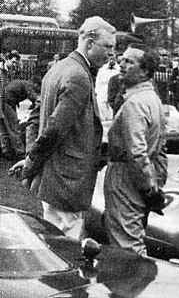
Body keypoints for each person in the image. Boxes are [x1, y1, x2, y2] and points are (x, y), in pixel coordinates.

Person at [10, 16, 116, 240]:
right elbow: (55, 129)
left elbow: (35, 119)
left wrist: (32, 156)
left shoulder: (59, 69)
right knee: (64, 246)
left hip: (54, 179)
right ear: (89, 42)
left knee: (52, 240)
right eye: (108, 47)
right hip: (67, 182)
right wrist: (31, 162)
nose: (111, 54)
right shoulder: (79, 76)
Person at [104, 44, 167, 256]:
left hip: (127, 177)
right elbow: (160, 146)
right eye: (122, 59)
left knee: (127, 244)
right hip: (140, 177)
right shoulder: (152, 99)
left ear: (145, 71)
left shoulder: (136, 103)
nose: (121, 63)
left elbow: (137, 151)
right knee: (131, 237)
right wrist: (155, 183)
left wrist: (149, 188)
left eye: (129, 61)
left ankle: (131, 286)